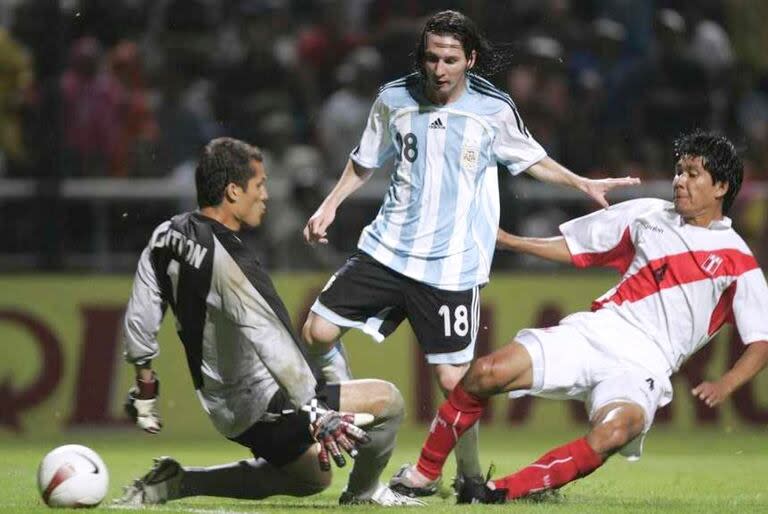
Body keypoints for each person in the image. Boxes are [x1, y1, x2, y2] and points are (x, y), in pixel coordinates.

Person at [301, 9, 639, 493]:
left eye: (450, 59)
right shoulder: (393, 99)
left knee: (454, 381)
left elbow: (533, 158)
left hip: (451, 266)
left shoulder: (493, 108)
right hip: (389, 249)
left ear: (470, 60)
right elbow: (363, 161)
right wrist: (330, 205)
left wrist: (581, 181)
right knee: (317, 329)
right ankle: (344, 410)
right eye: (431, 57)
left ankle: (471, 477)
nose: (438, 69)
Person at [397, 130, 768, 503]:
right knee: (484, 373)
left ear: (720, 186)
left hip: (645, 366)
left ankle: (497, 493)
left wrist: (727, 384)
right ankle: (423, 473)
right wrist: (510, 241)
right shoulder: (646, 214)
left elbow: (761, 341)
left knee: (614, 433)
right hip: (597, 332)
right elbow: (577, 247)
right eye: (678, 171)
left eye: (691, 174)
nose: (678, 181)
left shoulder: (738, 260)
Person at [115, 137, 422, 507]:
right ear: (233, 191)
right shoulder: (230, 261)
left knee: (312, 476)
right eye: (259, 185)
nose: (266, 196)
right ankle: (365, 493)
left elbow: (142, 313)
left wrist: (145, 385)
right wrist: (315, 411)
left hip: (221, 404)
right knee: (388, 401)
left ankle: (179, 482)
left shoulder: (168, 233)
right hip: (264, 401)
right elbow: (271, 340)